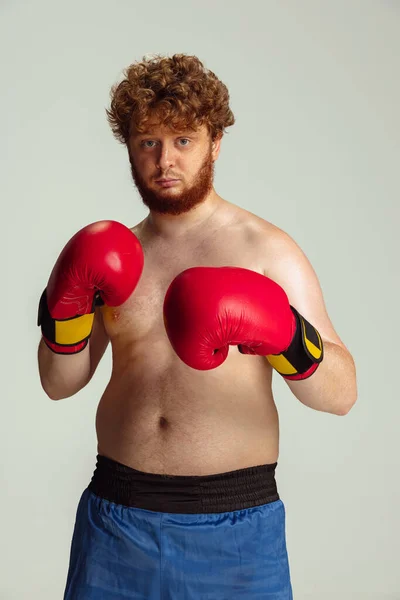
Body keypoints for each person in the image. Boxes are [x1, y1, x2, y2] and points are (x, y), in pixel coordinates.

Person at [37, 53, 357, 599]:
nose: (165, 160)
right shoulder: (113, 255)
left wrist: (283, 333)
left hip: (235, 532)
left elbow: (342, 393)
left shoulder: (265, 250)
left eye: (183, 140)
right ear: (130, 148)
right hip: (115, 523)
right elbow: (58, 382)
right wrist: (63, 308)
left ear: (214, 142)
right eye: (148, 142)